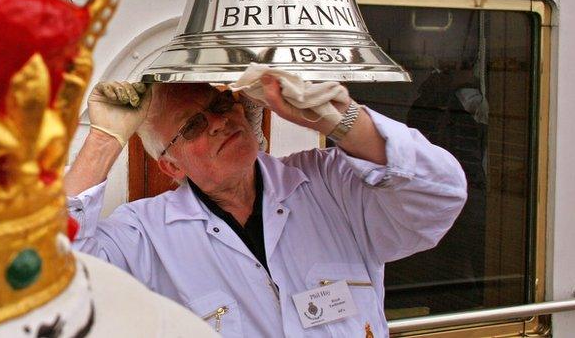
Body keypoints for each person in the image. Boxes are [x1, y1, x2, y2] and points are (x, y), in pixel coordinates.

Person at [63, 76, 467, 337]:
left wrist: (340, 120)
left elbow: (440, 195)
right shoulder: (145, 234)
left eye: (220, 105)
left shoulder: (329, 184)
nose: (218, 123)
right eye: (192, 126)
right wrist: (103, 140)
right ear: (171, 164)